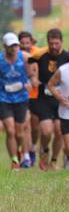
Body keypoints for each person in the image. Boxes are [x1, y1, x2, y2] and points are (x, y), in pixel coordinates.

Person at [29, 28, 69, 170]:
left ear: (61, 42)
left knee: (59, 131)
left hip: (60, 99)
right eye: (51, 43)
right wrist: (33, 77)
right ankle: (44, 150)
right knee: (46, 131)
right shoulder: (40, 55)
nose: (53, 46)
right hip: (43, 98)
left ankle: (53, 161)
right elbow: (30, 60)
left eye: (56, 43)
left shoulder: (68, 57)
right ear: (47, 42)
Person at [0, 33, 35, 168]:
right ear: (5, 47)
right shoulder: (0, 60)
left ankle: (24, 154)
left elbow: (32, 75)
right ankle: (14, 160)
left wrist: (30, 83)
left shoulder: (24, 58)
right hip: (4, 98)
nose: (14, 48)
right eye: (10, 46)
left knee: (20, 131)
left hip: (21, 98)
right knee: (10, 130)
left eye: (15, 45)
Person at [17, 31, 41, 165]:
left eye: (27, 43)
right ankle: (25, 154)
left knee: (35, 126)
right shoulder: (16, 56)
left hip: (37, 95)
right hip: (22, 95)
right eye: (22, 43)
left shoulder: (37, 53)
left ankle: (32, 146)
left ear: (32, 43)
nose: (25, 45)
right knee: (25, 124)